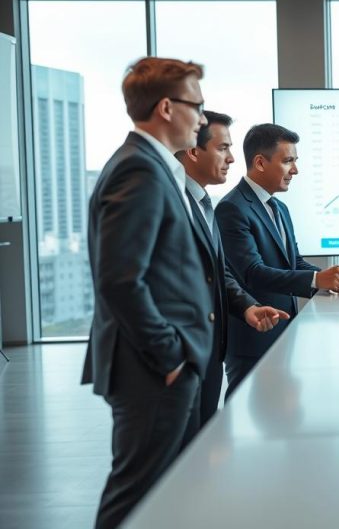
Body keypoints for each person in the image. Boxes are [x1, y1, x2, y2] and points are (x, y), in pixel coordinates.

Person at [82, 57, 283, 529]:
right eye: (197, 105)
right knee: (136, 494)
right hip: (154, 367)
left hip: (173, 362)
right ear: (168, 108)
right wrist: (171, 356)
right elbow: (119, 279)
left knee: (166, 490)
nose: (201, 117)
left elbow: (195, 273)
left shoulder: (155, 171)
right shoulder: (140, 171)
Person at [215, 123, 339, 396]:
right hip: (253, 338)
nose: (295, 170)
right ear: (260, 163)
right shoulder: (232, 208)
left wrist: (329, 277)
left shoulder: (280, 207)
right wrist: (316, 279)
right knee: (242, 419)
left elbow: (294, 262)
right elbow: (252, 272)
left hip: (284, 332)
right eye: (288, 161)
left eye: (295, 161)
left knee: (278, 416)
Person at [175, 110, 289, 434]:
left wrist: (247, 306)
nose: (231, 159)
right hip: (183, 359)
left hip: (210, 353)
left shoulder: (203, 202)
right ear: (194, 151)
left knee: (200, 456)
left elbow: (218, 273)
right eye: (223, 148)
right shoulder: (173, 201)